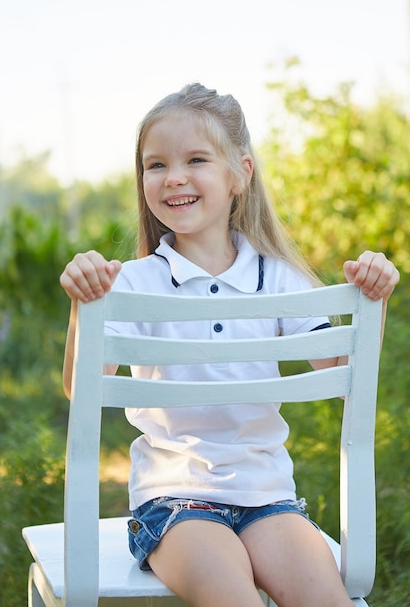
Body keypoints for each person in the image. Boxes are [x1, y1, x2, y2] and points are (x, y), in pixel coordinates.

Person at [60, 83, 399, 607]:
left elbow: (341, 367)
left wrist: (373, 299)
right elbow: (75, 386)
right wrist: (85, 305)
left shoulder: (281, 279)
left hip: (269, 499)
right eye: (156, 165)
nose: (174, 177)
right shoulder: (129, 283)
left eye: (196, 159)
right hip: (174, 503)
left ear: (241, 172)